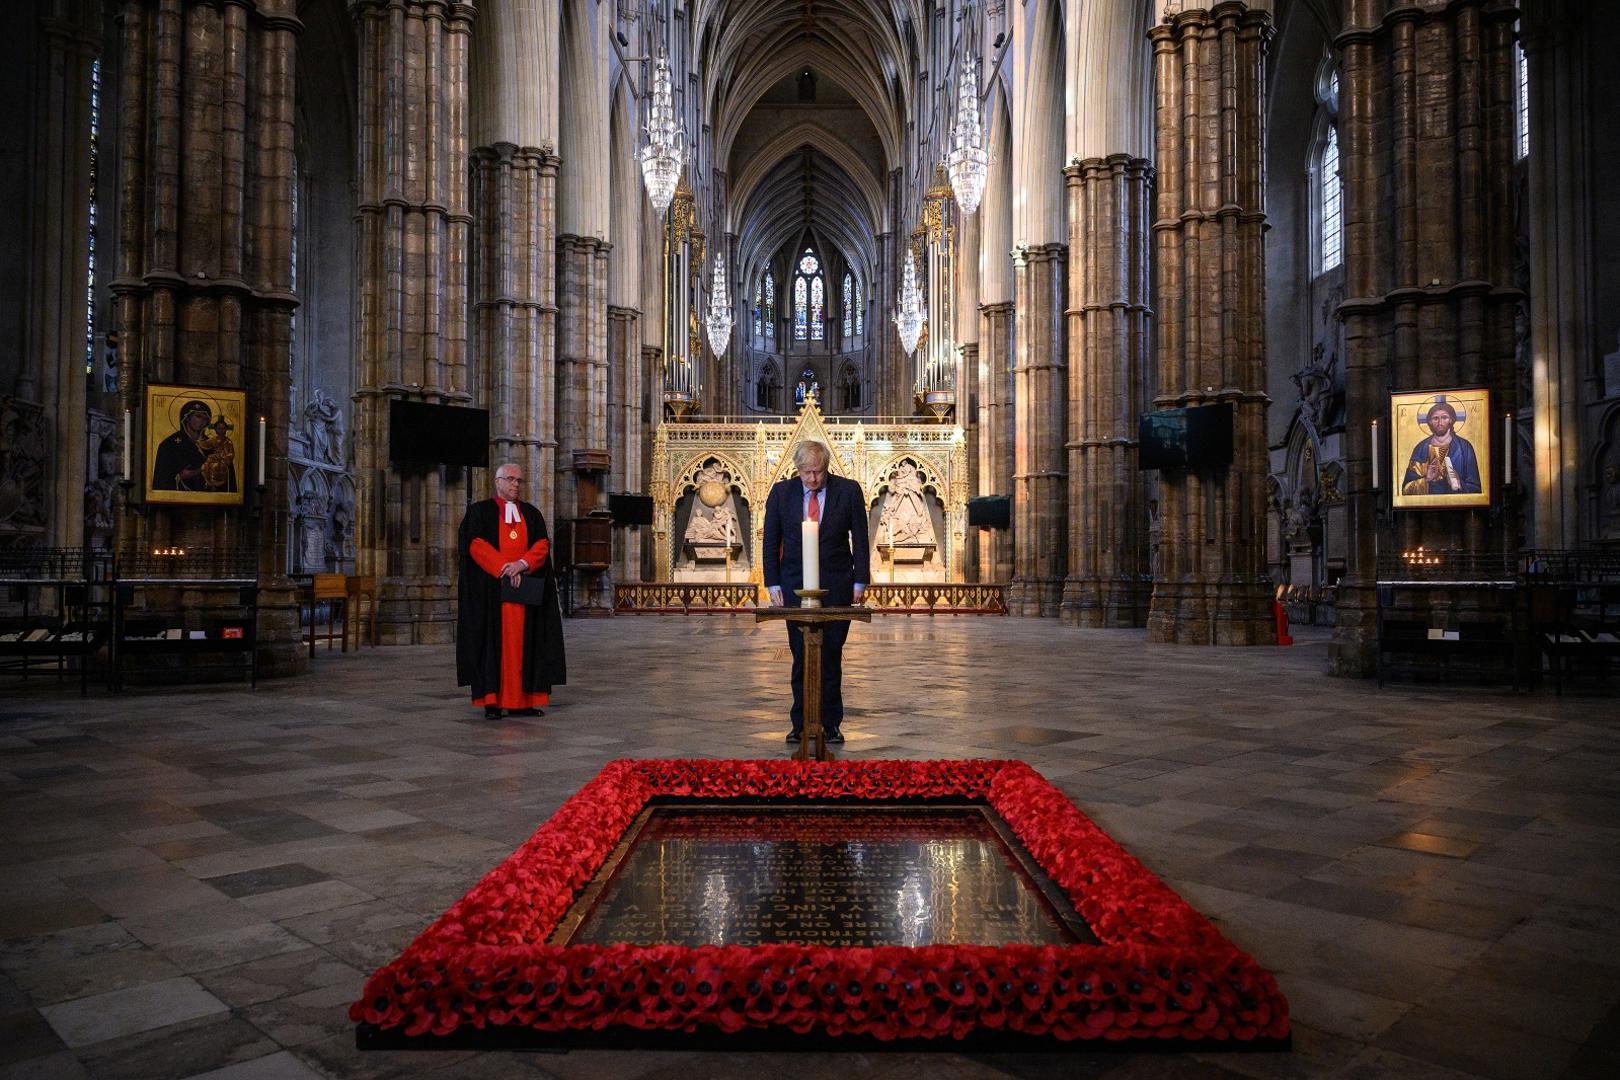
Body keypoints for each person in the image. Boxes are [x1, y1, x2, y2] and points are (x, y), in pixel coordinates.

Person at [762, 440, 869, 744]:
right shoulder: (782, 493)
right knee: (800, 654)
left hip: (837, 584)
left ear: (827, 467)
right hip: (794, 584)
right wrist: (773, 583)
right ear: (797, 470)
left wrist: (860, 580)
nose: (813, 479)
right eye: (807, 473)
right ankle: (800, 722)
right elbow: (770, 541)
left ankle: (831, 722)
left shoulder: (848, 491)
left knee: (831, 654)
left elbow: (860, 538)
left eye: (819, 473)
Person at [456, 464, 565, 719]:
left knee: (528, 648)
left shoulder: (531, 514)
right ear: (498, 482)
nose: (516, 484)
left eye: (519, 480)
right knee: (493, 648)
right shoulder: (480, 512)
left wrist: (521, 565)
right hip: (492, 596)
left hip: (525, 596)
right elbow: (475, 545)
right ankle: (492, 702)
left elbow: (541, 545)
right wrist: (504, 568)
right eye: (511, 479)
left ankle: (524, 702)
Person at [151, 400, 236, 491]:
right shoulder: (169, 445)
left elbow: (227, 475)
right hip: (178, 500)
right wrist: (180, 476)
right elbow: (162, 479)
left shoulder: (213, 444)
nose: (202, 421)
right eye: (198, 416)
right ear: (187, 417)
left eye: (205, 419)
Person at [1402, 399, 1481, 496]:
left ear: (1451, 420)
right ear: (1430, 422)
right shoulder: (1421, 448)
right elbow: (1406, 490)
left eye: (1444, 417)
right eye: (1435, 418)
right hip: (1427, 506)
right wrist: (1426, 479)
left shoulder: (1464, 447)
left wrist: (1459, 483)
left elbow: (1476, 488)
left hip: (1457, 507)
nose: (1440, 422)